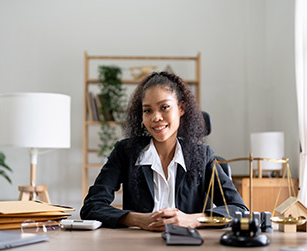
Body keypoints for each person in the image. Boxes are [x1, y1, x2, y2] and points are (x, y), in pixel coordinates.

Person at [80, 72, 247, 231]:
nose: (156, 117)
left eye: (164, 107)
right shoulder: (125, 151)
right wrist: (139, 219)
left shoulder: (202, 156)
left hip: (188, 244)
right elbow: (92, 206)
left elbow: (239, 209)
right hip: (137, 243)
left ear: (181, 108)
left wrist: (193, 220)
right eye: (147, 110)